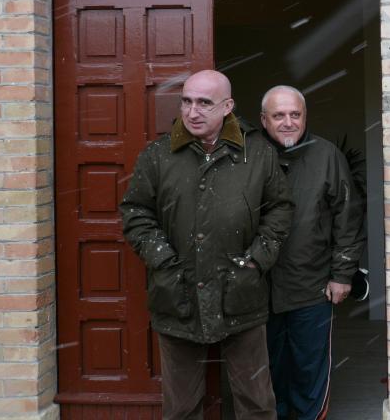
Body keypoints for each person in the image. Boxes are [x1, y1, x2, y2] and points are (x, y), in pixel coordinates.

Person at [121, 70, 294, 420]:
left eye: (204, 103)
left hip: (242, 293)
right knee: (182, 408)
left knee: (257, 404)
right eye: (186, 101)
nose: (192, 112)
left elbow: (280, 209)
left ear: (228, 107)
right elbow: (135, 212)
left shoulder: (258, 153)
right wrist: (164, 262)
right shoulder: (158, 155)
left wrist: (255, 261)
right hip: (177, 295)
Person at [260, 85, 365, 420]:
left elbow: (348, 217)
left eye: (295, 114)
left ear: (305, 116)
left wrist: (342, 274)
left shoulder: (327, 155)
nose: (288, 122)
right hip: (259, 287)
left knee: (309, 368)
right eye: (279, 115)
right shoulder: (249, 156)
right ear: (264, 120)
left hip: (312, 285)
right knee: (268, 369)